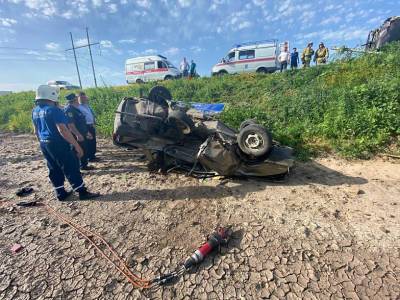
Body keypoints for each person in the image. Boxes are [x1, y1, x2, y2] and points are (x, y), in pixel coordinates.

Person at [32, 85, 100, 201]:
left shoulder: (35, 111)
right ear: (52, 95)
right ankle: (82, 192)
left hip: (45, 143)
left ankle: (60, 192)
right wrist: (77, 145)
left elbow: (36, 131)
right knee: (71, 166)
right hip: (58, 143)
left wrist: (42, 143)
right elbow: (62, 129)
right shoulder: (54, 110)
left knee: (53, 167)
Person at [64, 93, 93, 170]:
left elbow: (81, 123)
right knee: (77, 151)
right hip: (76, 134)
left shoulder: (76, 109)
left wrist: (86, 132)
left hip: (82, 132)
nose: (78, 100)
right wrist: (78, 134)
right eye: (77, 99)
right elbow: (71, 125)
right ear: (74, 100)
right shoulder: (69, 110)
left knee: (83, 149)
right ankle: (79, 166)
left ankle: (84, 165)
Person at [78, 92, 98, 162]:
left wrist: (94, 120)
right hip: (85, 126)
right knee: (88, 142)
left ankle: (92, 156)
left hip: (91, 125)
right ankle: (89, 157)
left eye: (84, 97)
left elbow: (90, 114)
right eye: (81, 98)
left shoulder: (87, 105)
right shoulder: (78, 107)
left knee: (93, 141)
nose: (83, 99)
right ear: (78, 98)